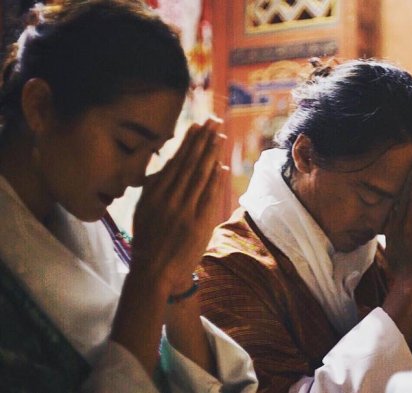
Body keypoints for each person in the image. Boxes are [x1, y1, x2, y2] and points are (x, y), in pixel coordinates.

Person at [0, 1, 256, 391]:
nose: (138, 177)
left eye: (152, 152)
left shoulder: (90, 220)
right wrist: (149, 276)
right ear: (40, 107)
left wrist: (175, 277)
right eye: (126, 144)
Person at [198, 59, 412, 392]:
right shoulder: (229, 270)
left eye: (397, 204)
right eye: (371, 196)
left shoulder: (376, 263)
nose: (381, 223)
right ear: (305, 155)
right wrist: (408, 289)